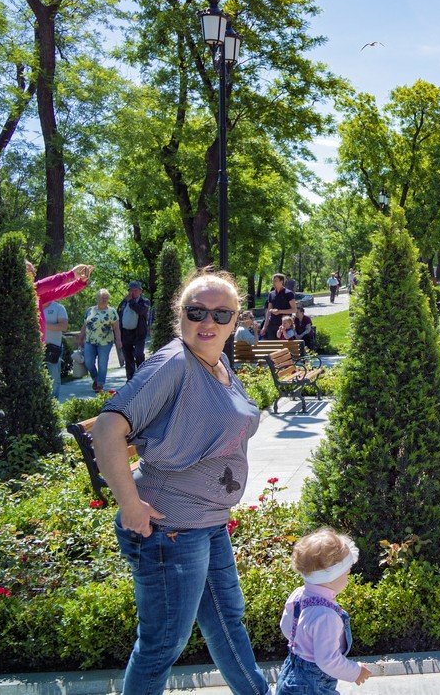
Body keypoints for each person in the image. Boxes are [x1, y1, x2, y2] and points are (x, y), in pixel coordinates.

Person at [90, 269, 269, 695]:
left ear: (236, 319)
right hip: (168, 529)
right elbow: (106, 428)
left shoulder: (218, 361)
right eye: (196, 312)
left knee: (228, 627)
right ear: (180, 316)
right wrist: (130, 505)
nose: (208, 322)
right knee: (161, 646)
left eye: (221, 314)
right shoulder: (173, 363)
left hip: (206, 522)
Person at [276, 529, 372, 693]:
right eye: (347, 574)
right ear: (332, 577)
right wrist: (356, 671)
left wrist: (303, 644)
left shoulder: (299, 594)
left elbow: (286, 627)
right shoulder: (326, 615)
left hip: (292, 669)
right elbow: (328, 661)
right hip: (314, 683)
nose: (348, 578)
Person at [28, 260, 91, 341]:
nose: (31, 275)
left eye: (32, 272)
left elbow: (61, 291)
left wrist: (80, 282)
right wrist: (70, 274)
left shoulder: (36, 294)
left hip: (35, 345)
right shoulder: (18, 291)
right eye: (27, 272)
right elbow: (41, 285)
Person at [80, 289, 122, 392]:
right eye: (102, 298)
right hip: (90, 341)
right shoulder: (90, 310)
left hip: (105, 342)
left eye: (106, 298)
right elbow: (84, 326)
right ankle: (96, 378)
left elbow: (116, 328)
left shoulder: (111, 311)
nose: (104, 300)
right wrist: (81, 338)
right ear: (97, 298)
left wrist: (119, 341)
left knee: (102, 363)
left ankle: (100, 384)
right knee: (88, 362)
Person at [117, 280, 152, 381]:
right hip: (125, 334)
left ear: (140, 291)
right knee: (128, 358)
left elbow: (141, 311)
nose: (133, 293)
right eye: (131, 291)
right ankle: (130, 379)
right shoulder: (124, 302)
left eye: (135, 290)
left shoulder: (145, 301)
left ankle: (142, 376)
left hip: (139, 334)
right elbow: (118, 315)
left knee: (139, 354)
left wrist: (131, 302)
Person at [42, 299, 69, 398]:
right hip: (36, 348)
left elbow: (64, 326)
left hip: (53, 349)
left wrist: (43, 325)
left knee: (54, 378)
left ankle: (54, 402)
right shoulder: (34, 306)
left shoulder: (59, 308)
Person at [263, 273, 296, 340]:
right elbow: (268, 311)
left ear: (281, 281)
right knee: (272, 347)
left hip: (285, 326)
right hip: (272, 325)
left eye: (275, 280)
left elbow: (294, 310)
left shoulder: (288, 293)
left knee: (284, 348)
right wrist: (264, 326)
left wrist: (280, 311)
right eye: (273, 281)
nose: (273, 282)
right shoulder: (271, 294)